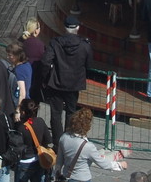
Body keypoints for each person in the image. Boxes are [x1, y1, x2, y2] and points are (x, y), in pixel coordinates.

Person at [41, 15, 92, 143]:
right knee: (71, 112)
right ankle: (68, 140)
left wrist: (45, 78)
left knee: (56, 113)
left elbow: (45, 61)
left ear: (64, 28)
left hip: (56, 82)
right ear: (78, 28)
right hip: (73, 84)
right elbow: (89, 65)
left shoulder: (55, 42)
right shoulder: (85, 45)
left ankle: (57, 142)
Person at [53, 108, 127, 180]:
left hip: (67, 177)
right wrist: (119, 165)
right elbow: (102, 163)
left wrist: (56, 173)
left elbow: (59, 159)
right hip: (82, 178)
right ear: (87, 126)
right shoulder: (88, 146)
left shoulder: (64, 137)